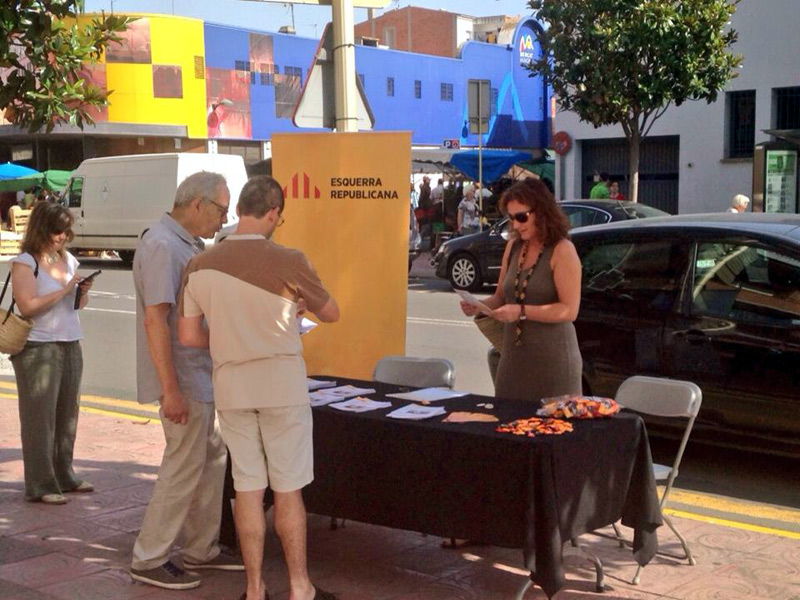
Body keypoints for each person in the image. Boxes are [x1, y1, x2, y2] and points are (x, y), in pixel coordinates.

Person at [178, 175, 340, 600]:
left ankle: (253, 589)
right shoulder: (290, 259)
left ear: (237, 211)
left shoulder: (199, 264)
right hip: (280, 385)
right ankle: (299, 587)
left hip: (231, 385)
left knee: (247, 487)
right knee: (287, 488)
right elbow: (332, 313)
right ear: (273, 213)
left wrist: (236, 337)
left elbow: (190, 337)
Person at [130, 171, 242, 591]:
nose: (222, 219)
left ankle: (201, 548)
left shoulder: (185, 244)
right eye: (220, 210)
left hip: (201, 376)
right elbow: (155, 319)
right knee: (181, 469)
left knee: (210, 463)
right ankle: (149, 556)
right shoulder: (162, 246)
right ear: (197, 205)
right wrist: (170, 391)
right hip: (184, 380)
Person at [461, 179, 583, 404]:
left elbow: (569, 310)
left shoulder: (562, 250)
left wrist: (521, 312)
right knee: (507, 425)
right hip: (514, 360)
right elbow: (500, 296)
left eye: (521, 217)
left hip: (553, 362)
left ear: (542, 212)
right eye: (511, 218)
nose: (516, 225)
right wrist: (478, 305)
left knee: (551, 433)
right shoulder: (514, 246)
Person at [10, 202, 94, 504]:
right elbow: (27, 305)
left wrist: (81, 292)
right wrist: (63, 290)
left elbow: (78, 305)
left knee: (67, 413)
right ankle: (41, 483)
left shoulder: (69, 259)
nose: (62, 237)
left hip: (71, 340)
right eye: (57, 230)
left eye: (66, 231)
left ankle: (64, 473)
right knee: (39, 419)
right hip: (37, 346)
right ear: (42, 229)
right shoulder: (25, 262)